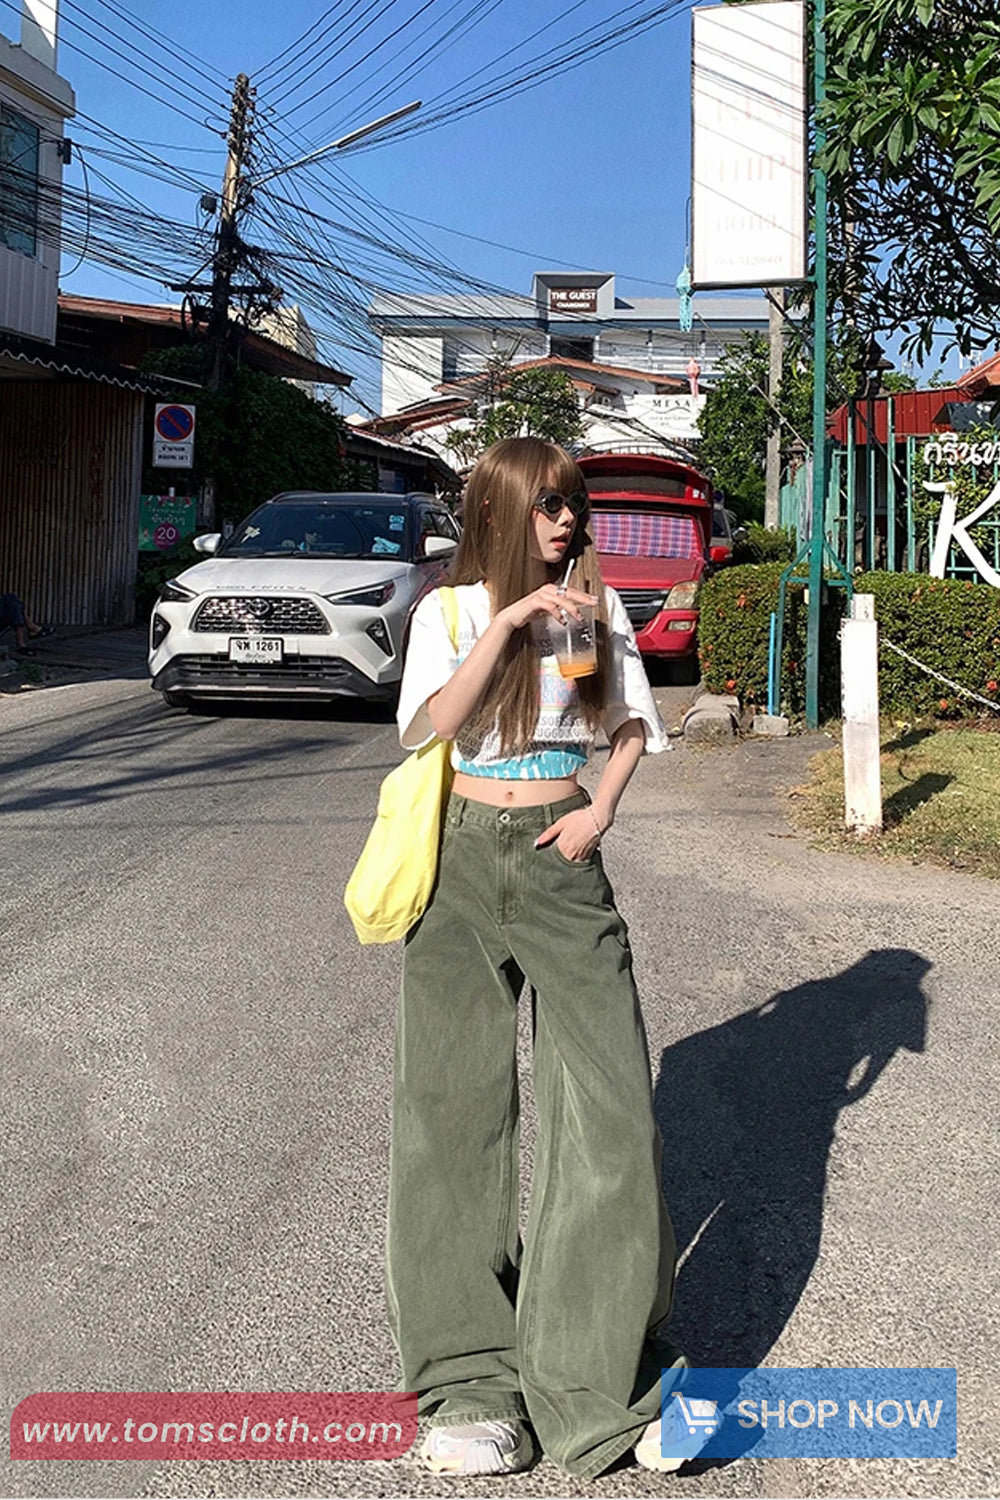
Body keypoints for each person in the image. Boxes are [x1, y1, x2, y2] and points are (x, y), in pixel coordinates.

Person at [388, 437, 712, 1479]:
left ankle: (598, 1389)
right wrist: (511, 620)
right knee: (451, 1117)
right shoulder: (448, 614)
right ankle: (471, 1391)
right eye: (544, 507)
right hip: (460, 860)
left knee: (611, 1113)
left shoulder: (596, 609)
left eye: (572, 505)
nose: (564, 523)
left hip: (560, 852)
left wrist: (599, 814)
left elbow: (621, 724)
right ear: (496, 510)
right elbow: (432, 723)